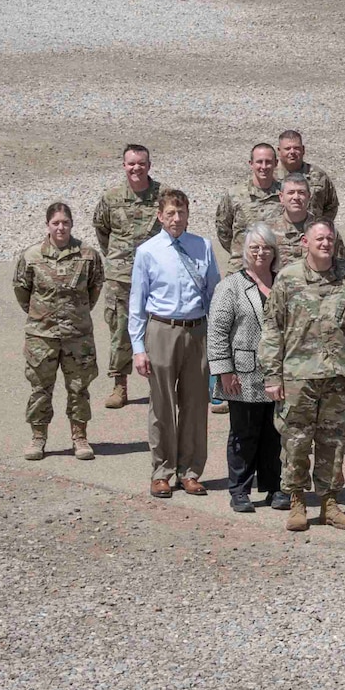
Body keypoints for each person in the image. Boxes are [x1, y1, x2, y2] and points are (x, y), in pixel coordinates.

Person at [261, 222, 345, 532]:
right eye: (319, 238)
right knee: (296, 440)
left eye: (330, 238)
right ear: (305, 242)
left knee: (334, 441)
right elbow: (272, 328)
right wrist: (272, 375)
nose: (325, 243)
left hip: (340, 373)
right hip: (298, 375)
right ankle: (297, 501)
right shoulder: (288, 278)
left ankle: (329, 502)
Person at [128, 189, 219, 499]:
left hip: (196, 332)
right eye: (170, 213)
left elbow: (213, 294)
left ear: (188, 214)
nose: (176, 219)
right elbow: (137, 304)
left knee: (195, 406)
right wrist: (138, 348)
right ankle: (162, 472)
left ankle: (191, 472)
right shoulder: (148, 252)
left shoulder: (202, 246)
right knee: (162, 405)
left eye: (181, 213)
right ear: (159, 216)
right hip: (162, 330)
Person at [15, 201, 104, 462]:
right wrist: (42, 315)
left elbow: (95, 288)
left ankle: (80, 437)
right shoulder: (31, 256)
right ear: (48, 226)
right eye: (56, 223)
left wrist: (75, 314)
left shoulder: (88, 255)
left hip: (78, 336)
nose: (61, 227)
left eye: (65, 222)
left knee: (79, 388)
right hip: (42, 336)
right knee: (40, 388)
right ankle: (38, 437)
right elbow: (22, 291)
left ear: (72, 224)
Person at [208, 225, 281, 510]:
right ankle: (239, 489)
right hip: (242, 374)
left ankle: (275, 487)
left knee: (275, 433)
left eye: (266, 247)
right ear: (245, 252)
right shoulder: (230, 286)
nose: (261, 253)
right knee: (244, 433)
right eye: (255, 248)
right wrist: (224, 371)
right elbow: (216, 332)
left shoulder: (283, 282)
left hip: (278, 373)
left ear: (274, 252)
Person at [92, 143, 160, 409]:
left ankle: (159, 384)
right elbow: (102, 229)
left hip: (155, 277)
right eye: (131, 163)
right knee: (120, 332)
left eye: (141, 163)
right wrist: (117, 257)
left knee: (158, 331)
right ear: (124, 166)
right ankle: (119, 385)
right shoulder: (111, 198)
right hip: (121, 277)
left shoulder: (162, 195)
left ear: (149, 165)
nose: (136, 168)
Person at [214, 142, 285, 273]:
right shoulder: (235, 194)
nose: (264, 167)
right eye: (259, 162)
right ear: (251, 164)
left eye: (268, 162)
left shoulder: (285, 194)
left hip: (276, 269)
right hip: (241, 267)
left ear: (276, 163)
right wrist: (241, 249)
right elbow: (223, 229)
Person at [275, 177, 345, 268]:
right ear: (281, 197)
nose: (296, 197)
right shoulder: (268, 231)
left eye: (301, 192)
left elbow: (339, 266)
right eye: (291, 192)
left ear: (309, 196)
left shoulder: (325, 230)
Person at [276, 129, 339, 227]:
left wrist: (321, 226)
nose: (292, 152)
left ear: (303, 150)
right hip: (280, 235)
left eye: (296, 148)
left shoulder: (319, 176)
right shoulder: (270, 177)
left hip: (312, 235)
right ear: (279, 151)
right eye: (287, 148)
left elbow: (332, 205)